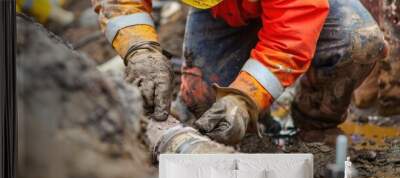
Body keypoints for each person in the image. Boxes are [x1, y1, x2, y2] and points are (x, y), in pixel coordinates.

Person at [92, 0, 387, 145]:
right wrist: (141, 50)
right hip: (223, 10)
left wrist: (245, 99)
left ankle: (316, 126)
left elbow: (288, 38)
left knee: (357, 40)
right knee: (206, 106)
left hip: (301, 6)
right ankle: (258, 132)